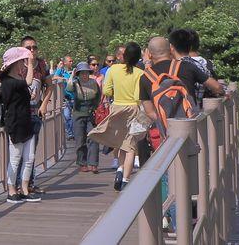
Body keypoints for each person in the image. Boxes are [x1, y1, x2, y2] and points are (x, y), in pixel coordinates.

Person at [140, 37, 225, 228]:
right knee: (200, 172)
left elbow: (150, 111)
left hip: (168, 135)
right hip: (193, 132)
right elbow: (215, 86)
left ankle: (179, 225)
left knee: (171, 177)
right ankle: (200, 216)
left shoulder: (146, 77)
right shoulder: (186, 67)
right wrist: (222, 92)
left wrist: (165, 122)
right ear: (170, 49)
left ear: (150, 54)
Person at [89, 42, 145, 191]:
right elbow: (138, 97)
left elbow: (106, 91)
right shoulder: (140, 73)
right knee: (131, 146)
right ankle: (126, 180)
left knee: (120, 143)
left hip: (117, 108)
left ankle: (119, 170)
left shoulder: (113, 69)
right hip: (133, 109)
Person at [0, 46, 41, 204]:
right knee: (15, 158)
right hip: (15, 123)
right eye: (22, 61)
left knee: (29, 158)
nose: (24, 64)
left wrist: (31, 95)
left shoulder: (17, 82)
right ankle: (11, 190)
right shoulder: (8, 82)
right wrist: (30, 63)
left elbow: (22, 97)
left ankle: (25, 189)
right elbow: (29, 81)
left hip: (26, 121)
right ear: (15, 63)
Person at [15, 36, 53, 194]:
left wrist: (44, 103)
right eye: (28, 48)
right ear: (22, 49)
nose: (32, 50)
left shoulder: (42, 65)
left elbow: (49, 85)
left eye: (34, 47)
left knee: (31, 151)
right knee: (19, 151)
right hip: (19, 112)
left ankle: (29, 184)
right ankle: (17, 185)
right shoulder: (16, 65)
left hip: (35, 111)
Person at [66, 61, 102, 172]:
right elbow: (68, 90)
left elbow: (98, 96)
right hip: (78, 114)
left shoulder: (93, 83)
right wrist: (72, 76)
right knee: (80, 139)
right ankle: (82, 162)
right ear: (78, 74)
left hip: (90, 113)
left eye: (86, 73)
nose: (84, 75)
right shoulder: (75, 83)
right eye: (82, 73)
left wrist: (95, 108)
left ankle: (93, 163)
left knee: (93, 138)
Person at [52, 54, 75, 140]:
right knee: (67, 116)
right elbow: (54, 77)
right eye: (70, 61)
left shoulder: (73, 71)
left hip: (74, 97)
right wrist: (64, 78)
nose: (71, 62)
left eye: (72, 61)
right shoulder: (62, 72)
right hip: (66, 99)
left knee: (75, 117)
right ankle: (70, 133)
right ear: (65, 62)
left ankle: (74, 132)